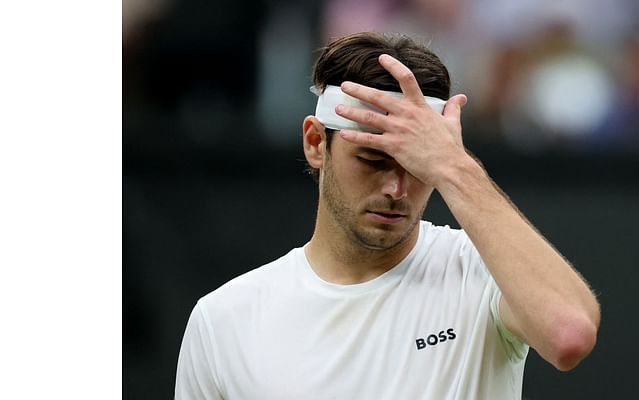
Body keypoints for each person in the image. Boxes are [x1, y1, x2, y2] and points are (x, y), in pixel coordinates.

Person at [175, 32, 601, 400]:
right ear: (315, 143)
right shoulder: (224, 320)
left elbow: (570, 334)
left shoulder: (482, 273)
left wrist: (455, 167)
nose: (396, 190)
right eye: (373, 159)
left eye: (417, 165)